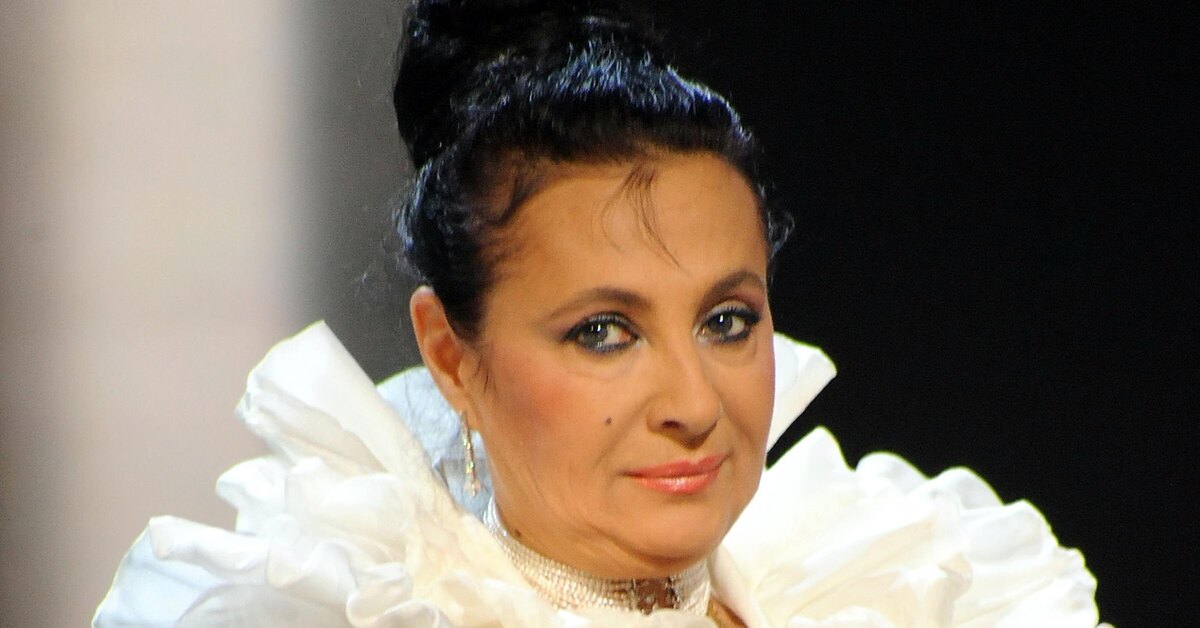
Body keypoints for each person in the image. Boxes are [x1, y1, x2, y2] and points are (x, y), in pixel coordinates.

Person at [94, 1, 1106, 625]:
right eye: (603, 333)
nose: (693, 405)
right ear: (453, 357)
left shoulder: (903, 589)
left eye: (726, 320)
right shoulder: (344, 611)